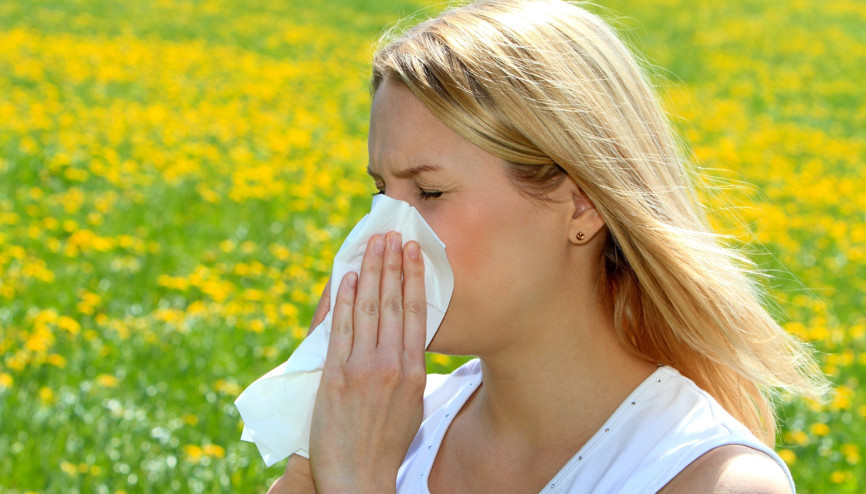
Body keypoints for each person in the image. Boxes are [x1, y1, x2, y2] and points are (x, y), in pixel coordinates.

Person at [267, 0, 828, 492]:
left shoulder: (705, 480)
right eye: (380, 191)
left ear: (581, 204)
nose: (382, 233)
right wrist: (310, 457)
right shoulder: (385, 424)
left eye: (429, 191)